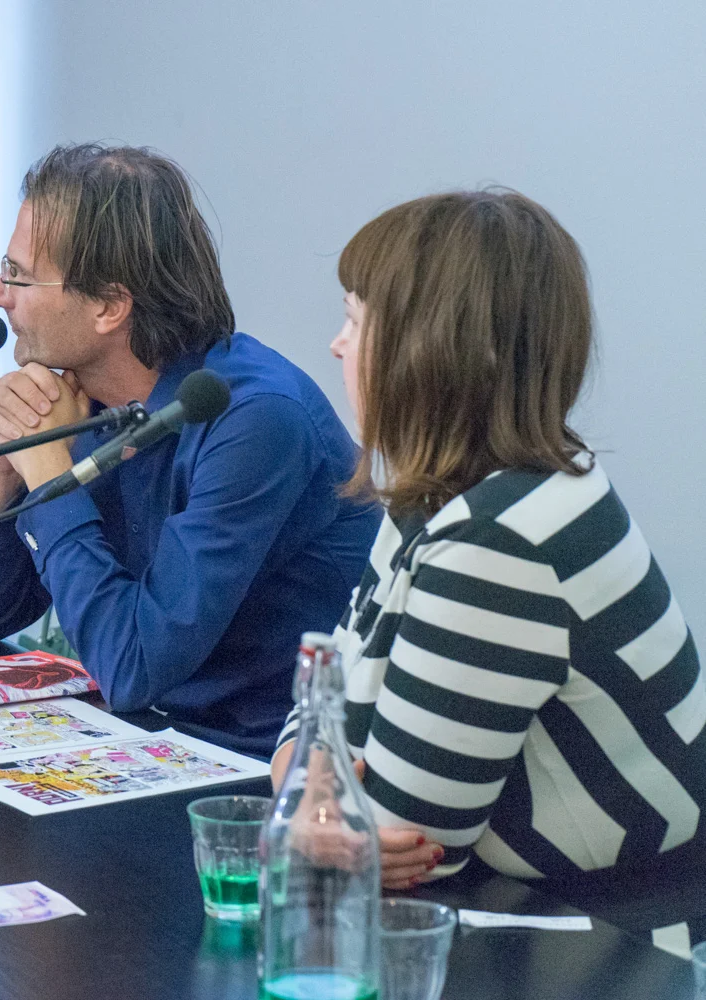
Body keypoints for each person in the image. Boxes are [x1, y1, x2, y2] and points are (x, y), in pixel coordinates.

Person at [272, 191, 706, 923]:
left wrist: (311, 798)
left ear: (429, 348)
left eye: (354, 320)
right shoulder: (456, 490)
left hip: (596, 945)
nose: (336, 345)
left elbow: (407, 843)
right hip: (525, 920)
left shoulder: (502, 539)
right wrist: (305, 782)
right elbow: (322, 706)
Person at [0, 144, 380, 757]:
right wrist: (3, 475)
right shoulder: (79, 394)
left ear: (109, 307)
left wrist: (49, 478)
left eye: (17, 274)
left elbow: (133, 666)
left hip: (254, 771)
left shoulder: (254, 419)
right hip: (145, 739)